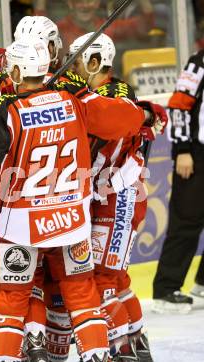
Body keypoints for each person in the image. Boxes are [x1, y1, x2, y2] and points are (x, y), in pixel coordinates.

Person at [0, 37, 159, 362]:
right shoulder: (74, 101)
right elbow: (118, 118)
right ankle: (97, 356)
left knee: (12, 298)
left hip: (22, 226)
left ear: (20, 71)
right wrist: (145, 115)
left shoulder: (10, 111)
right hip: (71, 222)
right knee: (82, 295)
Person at [69, 32, 166, 361]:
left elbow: (105, 129)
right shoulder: (102, 91)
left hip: (119, 197)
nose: (69, 67)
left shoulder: (112, 93)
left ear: (94, 60)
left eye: (76, 59)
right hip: (111, 195)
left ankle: (121, 348)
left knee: (102, 279)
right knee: (114, 278)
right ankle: (137, 347)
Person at [153, 48, 204, 313]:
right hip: (197, 153)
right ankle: (166, 289)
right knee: (186, 221)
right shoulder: (200, 62)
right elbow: (179, 105)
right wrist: (183, 150)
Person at [57, 0, 154, 62]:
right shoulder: (58, 30)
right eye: (79, 1)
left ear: (97, 3)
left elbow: (145, 26)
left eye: (90, 1)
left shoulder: (108, 26)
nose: (85, 6)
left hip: (104, 90)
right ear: (70, 3)